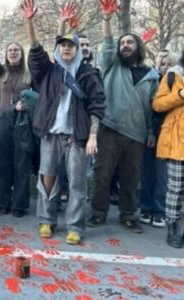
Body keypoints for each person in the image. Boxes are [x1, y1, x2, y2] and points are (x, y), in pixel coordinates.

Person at [23, 0, 105, 245]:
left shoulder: (88, 73)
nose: (66, 49)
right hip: (51, 135)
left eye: (71, 45)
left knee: (78, 184)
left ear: (78, 49)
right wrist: (29, 22)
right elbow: (36, 53)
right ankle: (46, 220)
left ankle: (75, 227)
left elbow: (97, 106)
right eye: (62, 45)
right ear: (58, 49)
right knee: (47, 178)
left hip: (77, 137)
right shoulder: (49, 71)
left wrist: (92, 136)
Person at [88, 0, 160, 233]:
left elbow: (151, 106)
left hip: (137, 134)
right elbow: (107, 46)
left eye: (130, 42)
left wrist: (149, 132)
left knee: (131, 178)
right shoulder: (112, 65)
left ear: (138, 46)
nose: (125, 46)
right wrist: (107, 19)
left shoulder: (151, 74)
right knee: (102, 174)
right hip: (110, 128)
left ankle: (128, 215)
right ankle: (98, 213)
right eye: (123, 43)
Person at [0, 12, 34, 217]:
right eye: (10, 50)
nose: (12, 53)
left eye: (16, 50)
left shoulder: (28, 74)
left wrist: (26, 106)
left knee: (21, 163)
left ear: (21, 54)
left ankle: (20, 204)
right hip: (3, 120)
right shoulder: (2, 72)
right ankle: (3, 201)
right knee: (3, 162)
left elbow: (37, 97)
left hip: (23, 122)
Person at [139, 52, 179, 228]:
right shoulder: (154, 81)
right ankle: (146, 207)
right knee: (147, 172)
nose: (166, 67)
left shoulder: (176, 82)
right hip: (153, 129)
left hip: (173, 135)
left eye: (169, 64)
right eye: (163, 64)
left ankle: (160, 210)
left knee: (163, 175)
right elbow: (154, 106)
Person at [152, 51, 184, 248]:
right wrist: (179, 95)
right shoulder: (173, 75)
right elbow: (157, 104)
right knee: (176, 187)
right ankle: (173, 226)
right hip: (177, 141)